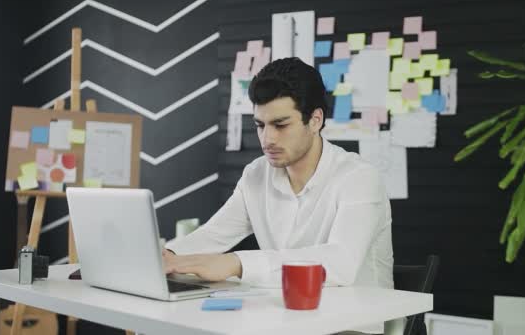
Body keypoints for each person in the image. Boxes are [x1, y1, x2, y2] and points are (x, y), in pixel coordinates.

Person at [164, 57, 393, 334]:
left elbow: (341, 262)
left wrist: (236, 263)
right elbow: (214, 234)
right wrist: (166, 256)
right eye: (260, 125)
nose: (267, 139)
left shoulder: (359, 177)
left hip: (353, 327)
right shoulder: (256, 174)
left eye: (281, 125)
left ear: (315, 120)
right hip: (286, 320)